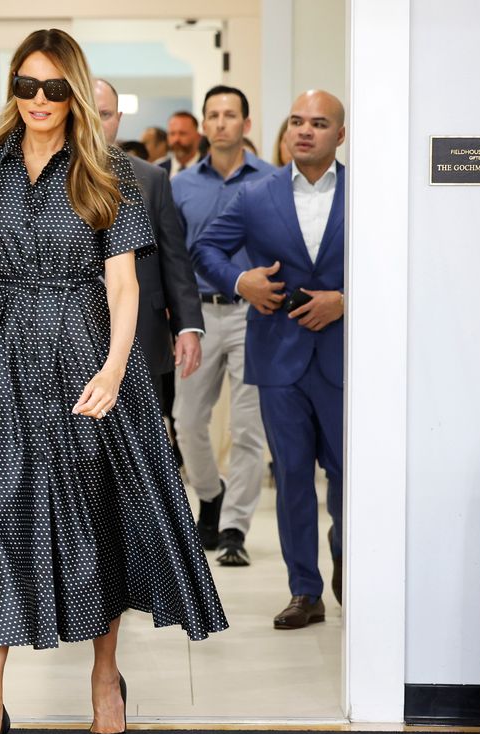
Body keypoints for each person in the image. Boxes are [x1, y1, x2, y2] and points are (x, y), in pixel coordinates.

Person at [0, 28, 228, 734]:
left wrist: (114, 368)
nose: (38, 101)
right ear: (13, 90)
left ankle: (104, 675)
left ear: (75, 92)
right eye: (26, 86)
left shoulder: (110, 174)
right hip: (1, 352)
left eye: (54, 88)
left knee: (97, 516)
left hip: (87, 352)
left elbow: (125, 287)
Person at [193, 90, 346, 629]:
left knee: (349, 475)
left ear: (339, 135)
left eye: (319, 123)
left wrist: (347, 300)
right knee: (295, 480)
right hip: (278, 357)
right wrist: (241, 281)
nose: (306, 131)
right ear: (285, 133)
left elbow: (396, 264)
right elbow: (205, 249)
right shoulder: (258, 195)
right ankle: (305, 590)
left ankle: (348, 560)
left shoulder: (367, 195)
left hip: (346, 359)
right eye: (298, 122)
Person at [170, 86, 276, 566]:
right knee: (188, 422)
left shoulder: (272, 182)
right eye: (212, 115)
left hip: (258, 316)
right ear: (204, 125)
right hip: (199, 315)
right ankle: (211, 494)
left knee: (248, 428)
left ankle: (233, 528)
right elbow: (173, 254)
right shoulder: (182, 185)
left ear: (245, 125)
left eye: (230, 115)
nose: (220, 123)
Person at [92, 78, 203, 449]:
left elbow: (174, 258)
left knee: (143, 449)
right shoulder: (53, 175)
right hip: (74, 333)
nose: (96, 122)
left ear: (118, 119)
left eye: (105, 114)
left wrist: (187, 326)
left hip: (143, 330)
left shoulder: (150, 178)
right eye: (89, 113)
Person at [158, 111, 201, 175]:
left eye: (182, 133)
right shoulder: (158, 170)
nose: (176, 139)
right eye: (172, 134)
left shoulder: (210, 170)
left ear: (197, 137)